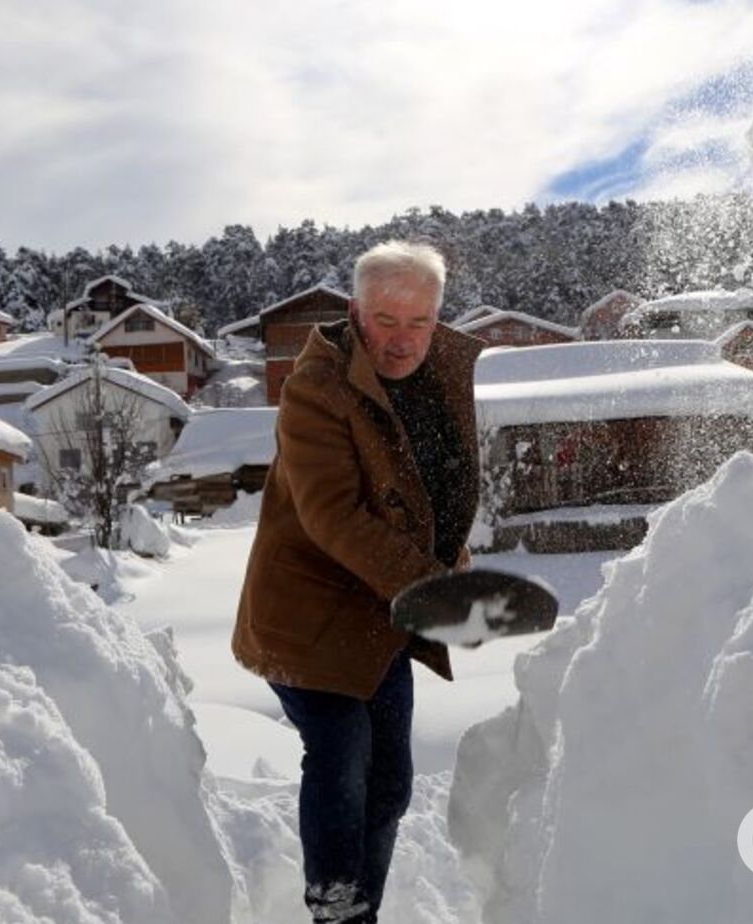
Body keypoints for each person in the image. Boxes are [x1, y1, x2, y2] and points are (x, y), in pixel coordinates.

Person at [233, 240, 482, 924]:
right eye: (386, 320)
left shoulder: (432, 382)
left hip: (381, 617)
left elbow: (432, 496)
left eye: (419, 322)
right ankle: (336, 910)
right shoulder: (316, 390)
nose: (403, 340)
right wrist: (434, 589)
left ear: (436, 318)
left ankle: (357, 912)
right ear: (354, 312)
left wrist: (451, 562)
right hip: (305, 618)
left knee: (390, 785)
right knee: (342, 755)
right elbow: (334, 517)